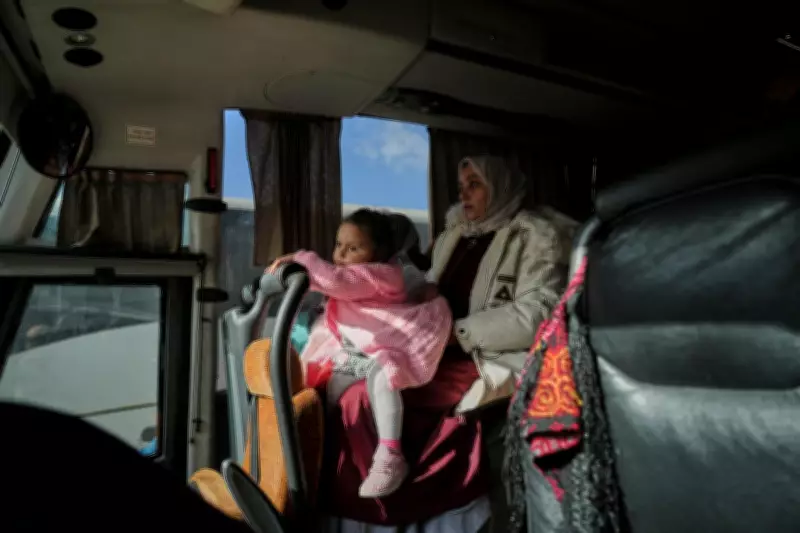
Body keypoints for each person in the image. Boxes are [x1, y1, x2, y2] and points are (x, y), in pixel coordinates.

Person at [268, 208, 452, 499]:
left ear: (378, 254)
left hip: (383, 348)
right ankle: (312, 450)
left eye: (353, 248)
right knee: (325, 396)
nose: (341, 254)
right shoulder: (357, 273)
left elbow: (334, 282)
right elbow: (323, 281)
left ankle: (390, 454)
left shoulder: (380, 275)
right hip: (355, 352)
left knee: (384, 379)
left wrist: (302, 257)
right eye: (339, 245)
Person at [427, 155, 578, 413]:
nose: (464, 195)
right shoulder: (452, 237)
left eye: (474, 184)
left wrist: (458, 333)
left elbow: (540, 314)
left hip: (490, 358)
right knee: (361, 386)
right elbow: (430, 284)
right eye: (461, 187)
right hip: (437, 353)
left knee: (379, 397)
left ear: (499, 186)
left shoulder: (534, 237)